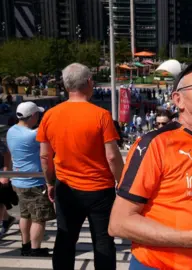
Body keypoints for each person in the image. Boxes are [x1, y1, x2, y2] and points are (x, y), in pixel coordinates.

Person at [108, 54, 192, 270]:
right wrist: (189, 239)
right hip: (158, 265)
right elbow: (119, 223)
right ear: (178, 100)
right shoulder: (154, 144)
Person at [37, 63, 124, 269]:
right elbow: (112, 157)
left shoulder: (50, 115)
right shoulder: (101, 115)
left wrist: (50, 182)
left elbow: (44, 156)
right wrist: (121, 181)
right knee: (103, 241)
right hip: (100, 190)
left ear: (66, 86)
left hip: (66, 188)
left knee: (65, 239)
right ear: (89, 83)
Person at [6, 102, 55, 256]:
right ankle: (35, 249)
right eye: (38, 115)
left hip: (18, 181)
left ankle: (25, 245)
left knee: (25, 215)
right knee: (39, 218)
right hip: (35, 183)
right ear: (33, 116)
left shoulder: (11, 131)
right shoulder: (33, 135)